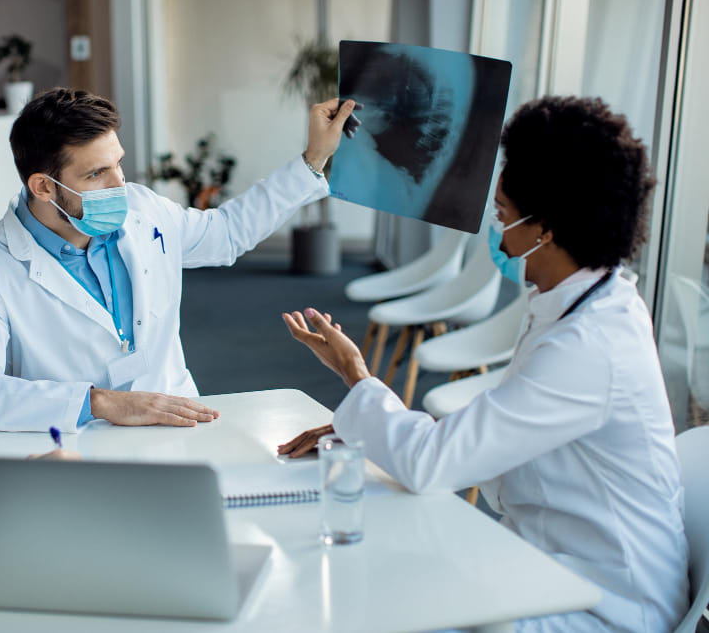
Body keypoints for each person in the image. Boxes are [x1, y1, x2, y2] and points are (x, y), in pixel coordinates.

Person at [278, 96, 689, 631]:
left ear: (547, 229)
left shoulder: (590, 345)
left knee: (392, 596)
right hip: (550, 561)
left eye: (503, 217)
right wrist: (369, 428)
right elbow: (496, 436)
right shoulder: (577, 303)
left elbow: (433, 464)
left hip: (608, 605)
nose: (498, 233)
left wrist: (356, 375)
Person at [0, 87, 357, 432]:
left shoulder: (142, 209)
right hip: (77, 449)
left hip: (180, 425)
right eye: (97, 174)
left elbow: (226, 234)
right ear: (43, 187)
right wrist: (98, 402)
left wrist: (314, 158)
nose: (121, 184)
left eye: (118, 164)